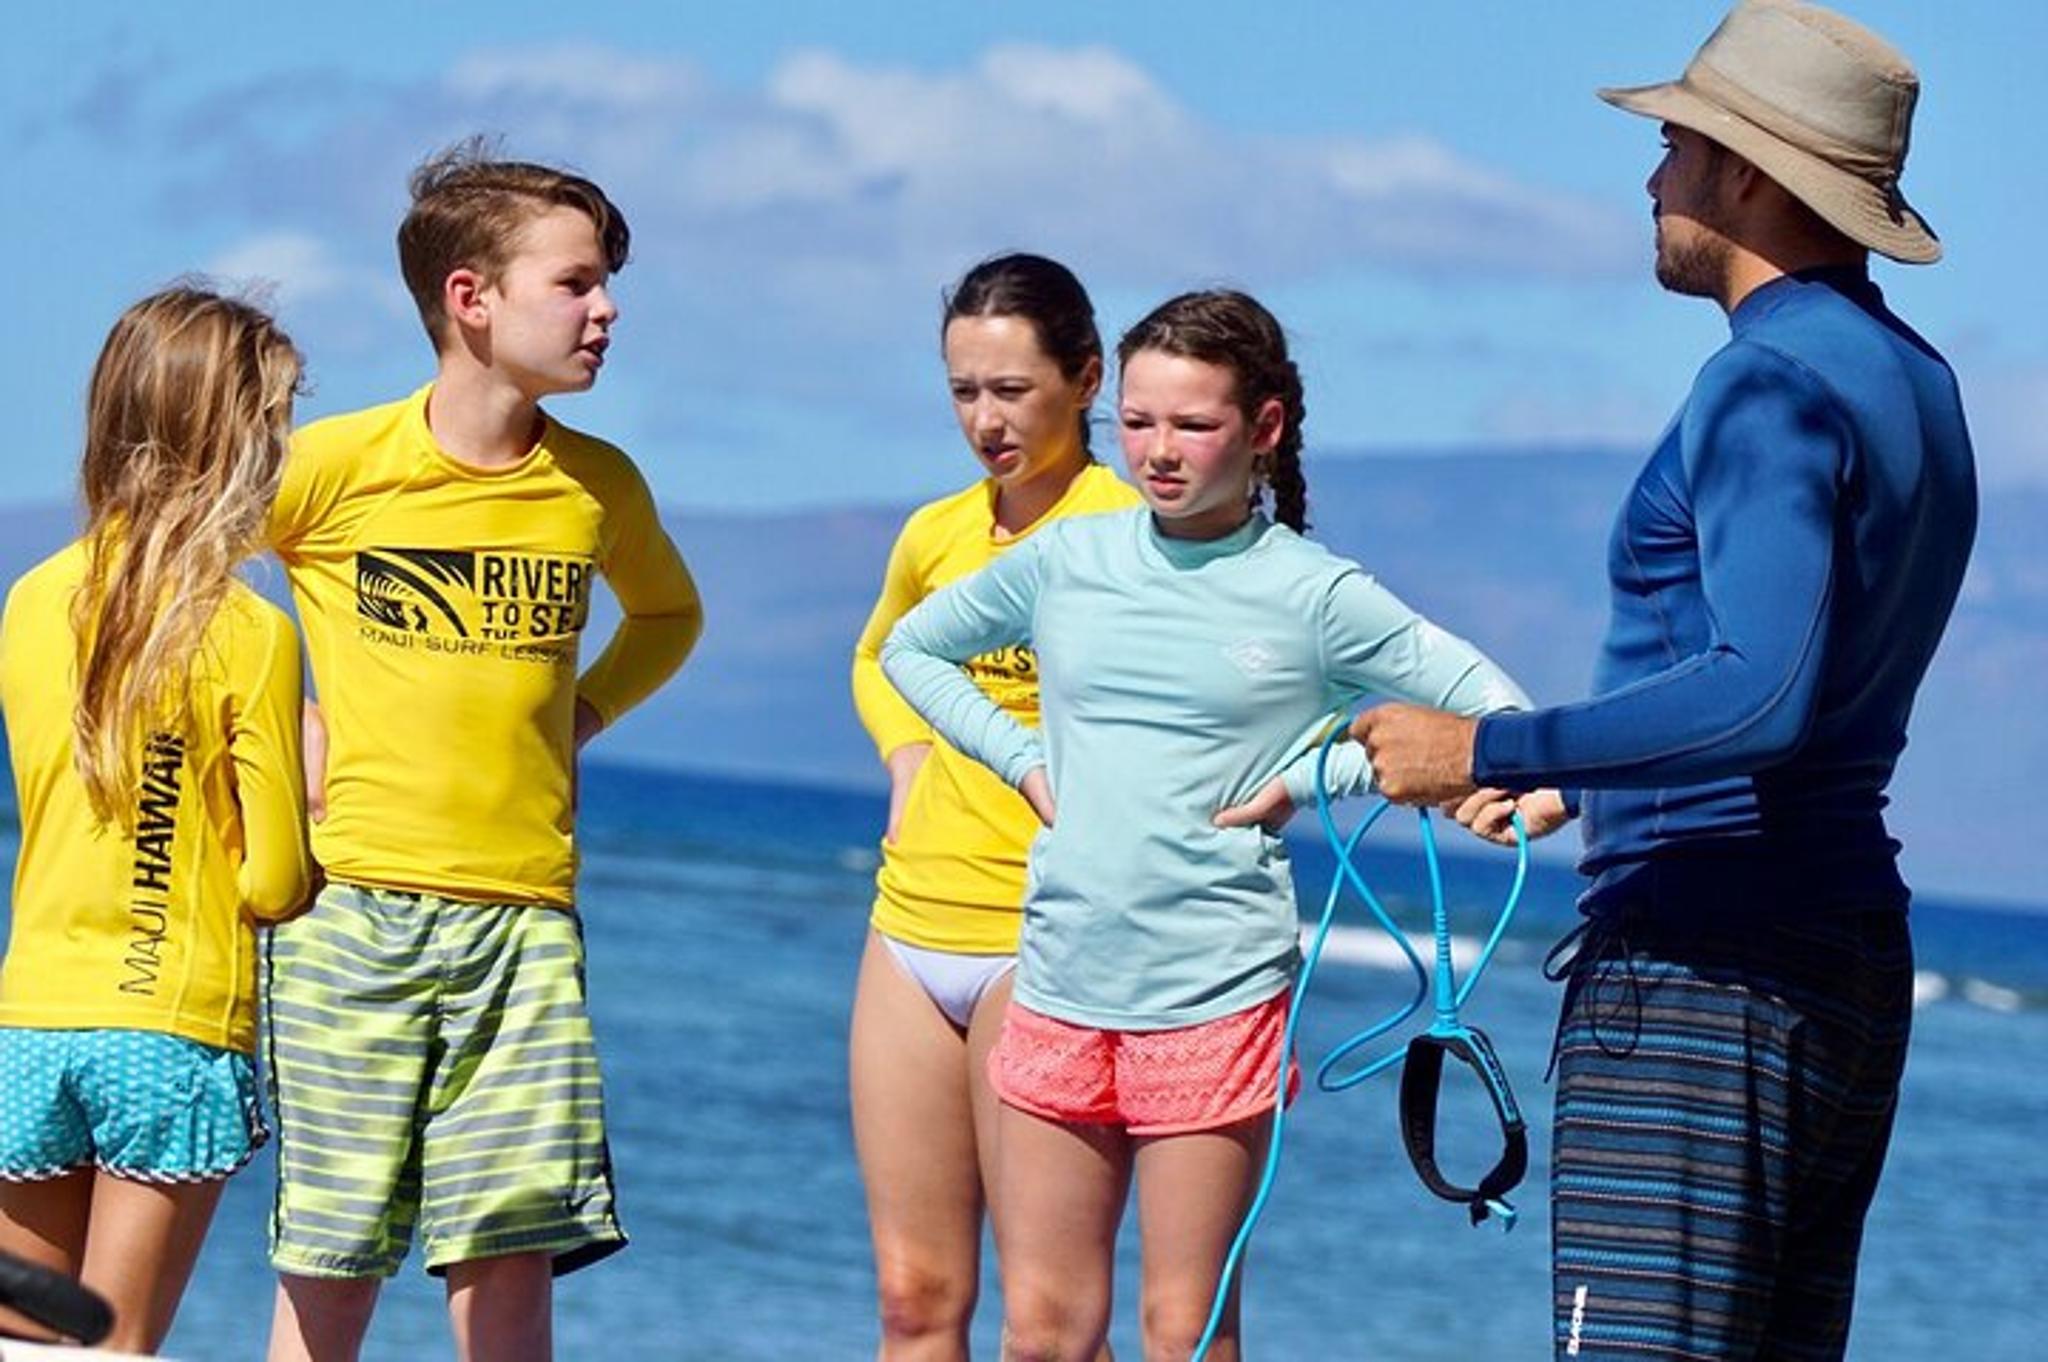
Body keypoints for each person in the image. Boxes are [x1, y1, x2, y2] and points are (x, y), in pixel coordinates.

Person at [1350, 4, 1977, 1359]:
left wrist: (1491, 747)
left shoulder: (1767, 384)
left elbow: (1761, 691)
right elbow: (1803, 689)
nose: (1652, 179)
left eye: (1677, 146)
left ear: (1751, 172)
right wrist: (1583, 781)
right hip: (1836, 949)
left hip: (1707, 970)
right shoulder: (1917, 381)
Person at [882, 290, 1531, 1362]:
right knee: (1041, 1333)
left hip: (1213, 995)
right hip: (1057, 980)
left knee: (1182, 1332)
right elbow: (913, 650)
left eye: (1192, 424)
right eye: (1136, 422)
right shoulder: (1069, 560)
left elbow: (1491, 710)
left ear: (1263, 429)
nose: (1158, 451)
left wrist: (1310, 781)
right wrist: (1023, 762)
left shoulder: (1313, 593)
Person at [261, 141, 703, 1362]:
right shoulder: (335, 467)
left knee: (509, 1261)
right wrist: (274, 730)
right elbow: (182, 583)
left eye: (607, 281)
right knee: (334, 1256)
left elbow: (669, 616)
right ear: (472, 298)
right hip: (352, 915)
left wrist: (589, 713)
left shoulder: (595, 486)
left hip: (525, 921)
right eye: (575, 283)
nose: (606, 308)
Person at [0, 287, 313, 1352]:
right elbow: (271, 883)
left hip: (31, 1025)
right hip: (170, 1031)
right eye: (274, 425)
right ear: (232, 444)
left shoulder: (31, 599)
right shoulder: (251, 631)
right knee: (116, 1348)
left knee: (23, 1344)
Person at [849, 253, 1138, 1359]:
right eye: (963, 391)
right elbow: (877, 655)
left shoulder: (1135, 532)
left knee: (1050, 1323)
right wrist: (907, 751)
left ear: (1084, 378)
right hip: (910, 930)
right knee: (913, 1300)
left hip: (1052, 939)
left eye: (1010, 391)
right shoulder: (935, 535)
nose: (984, 420)